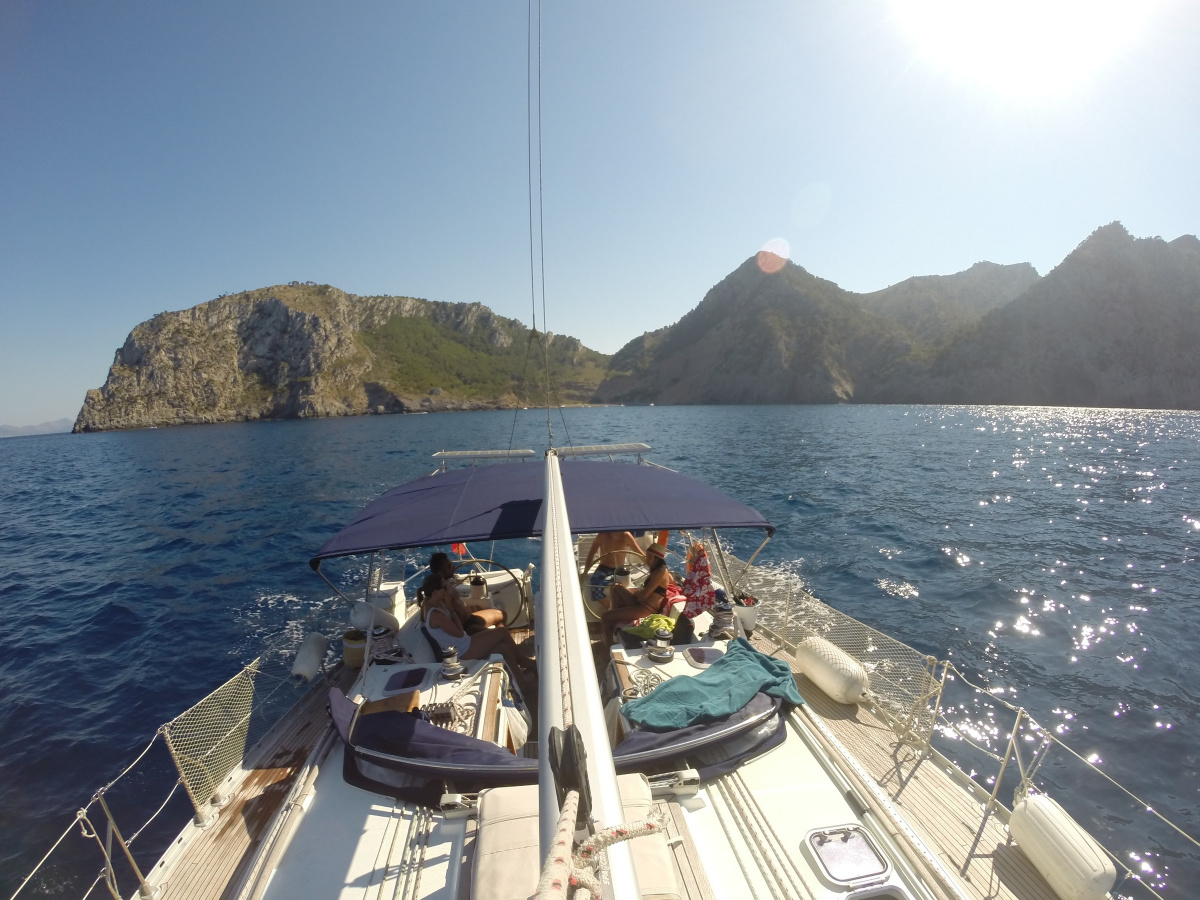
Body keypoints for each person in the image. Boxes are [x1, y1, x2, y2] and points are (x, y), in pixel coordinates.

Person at [420, 580, 534, 683]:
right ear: (435, 592)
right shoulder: (436, 614)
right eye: (445, 588)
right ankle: (523, 661)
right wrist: (451, 610)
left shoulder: (432, 602)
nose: (448, 590)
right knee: (502, 632)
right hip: (462, 651)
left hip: (464, 643)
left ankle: (522, 684)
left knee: (505, 648)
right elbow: (459, 634)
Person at [600, 542, 681, 645]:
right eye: (646, 557)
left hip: (646, 609)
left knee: (605, 616)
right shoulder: (657, 569)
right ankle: (614, 617)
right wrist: (638, 593)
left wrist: (638, 593)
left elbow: (644, 596)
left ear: (657, 559)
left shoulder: (661, 571)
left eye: (650, 558)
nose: (647, 560)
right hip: (641, 603)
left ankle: (608, 646)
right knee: (616, 587)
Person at [422, 551, 505, 632]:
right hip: (466, 627)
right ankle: (502, 639)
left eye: (452, 564)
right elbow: (429, 611)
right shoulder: (438, 594)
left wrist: (468, 608)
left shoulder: (447, 584)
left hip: (470, 617)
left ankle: (503, 636)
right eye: (449, 566)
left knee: (502, 614)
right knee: (500, 634)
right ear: (440, 572)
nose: (453, 568)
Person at [583, 531, 646, 607]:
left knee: (627, 588)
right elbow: (591, 553)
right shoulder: (602, 535)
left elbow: (640, 554)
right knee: (595, 586)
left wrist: (654, 568)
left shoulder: (626, 536)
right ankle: (611, 609)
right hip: (603, 568)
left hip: (620, 570)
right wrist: (585, 572)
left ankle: (623, 609)